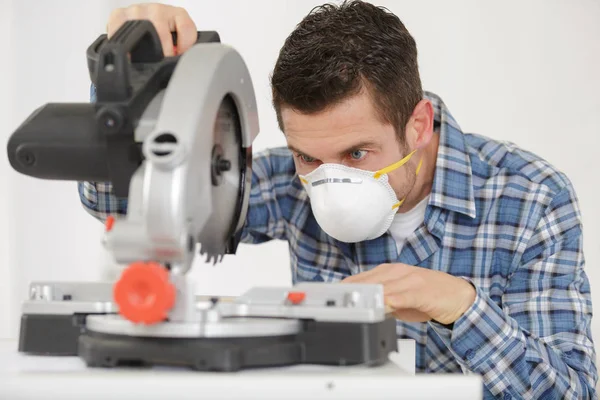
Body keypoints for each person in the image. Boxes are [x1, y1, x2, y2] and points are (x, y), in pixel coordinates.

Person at [78, 2, 597, 398]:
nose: (330, 181)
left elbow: (572, 390)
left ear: (417, 124)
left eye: (357, 152)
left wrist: (461, 307)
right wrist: (127, 85)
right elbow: (120, 202)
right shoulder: (287, 182)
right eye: (308, 156)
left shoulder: (531, 198)